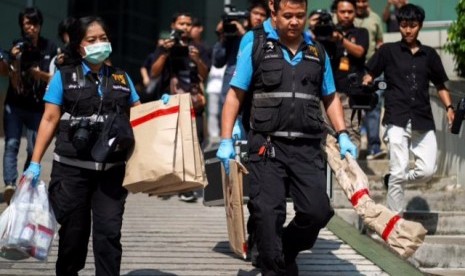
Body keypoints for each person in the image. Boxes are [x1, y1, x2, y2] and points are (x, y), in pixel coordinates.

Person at [217, 0, 357, 274]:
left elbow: (330, 96)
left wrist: (342, 134)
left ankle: (288, 248)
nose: (294, 21)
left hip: (306, 148)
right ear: (274, 14)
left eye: (300, 16)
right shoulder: (256, 46)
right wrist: (225, 138)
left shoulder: (317, 52)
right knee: (267, 217)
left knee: (317, 212)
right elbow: (235, 95)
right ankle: (275, 263)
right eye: (288, 16)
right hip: (266, 147)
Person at [23, 16, 141, 276]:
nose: (100, 43)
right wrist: (33, 163)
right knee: (72, 238)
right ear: (79, 46)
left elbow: (140, 116)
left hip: (111, 173)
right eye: (92, 40)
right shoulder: (63, 78)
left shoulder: (122, 78)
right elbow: (50, 118)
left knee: (109, 234)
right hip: (71, 173)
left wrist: (164, 107)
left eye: (104, 38)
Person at [363, 4, 454, 214]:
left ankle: (393, 179)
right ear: (399, 26)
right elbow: (370, 72)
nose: (408, 30)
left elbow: (440, 84)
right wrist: (367, 81)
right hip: (396, 117)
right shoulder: (388, 51)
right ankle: (394, 220)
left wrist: (449, 107)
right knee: (399, 167)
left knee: (428, 170)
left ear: (420, 26)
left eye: (412, 26)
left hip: (422, 117)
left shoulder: (430, 55)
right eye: (404, 25)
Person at [151, 11, 211, 202]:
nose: (185, 27)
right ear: (173, 26)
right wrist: (166, 52)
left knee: (195, 144)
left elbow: (205, 74)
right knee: (171, 144)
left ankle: (188, 185)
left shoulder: (200, 47)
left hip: (194, 103)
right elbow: (154, 72)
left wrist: (196, 59)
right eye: (181, 24)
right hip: (170, 103)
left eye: (188, 24)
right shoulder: (165, 46)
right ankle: (172, 183)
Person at [3, 7, 57, 205]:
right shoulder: (17, 45)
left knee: (34, 148)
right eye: (27, 24)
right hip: (15, 105)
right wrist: (13, 57)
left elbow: (53, 75)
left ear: (40, 25)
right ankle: (9, 184)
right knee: (11, 144)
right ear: (22, 26)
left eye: (34, 24)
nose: (30, 28)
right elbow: (8, 70)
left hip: (37, 107)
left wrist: (39, 74)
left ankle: (24, 184)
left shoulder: (49, 47)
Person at [316, 0, 369, 149]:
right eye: (342, 12)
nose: (346, 15)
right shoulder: (325, 32)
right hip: (329, 92)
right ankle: (334, 171)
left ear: (355, 13)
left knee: (352, 132)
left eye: (350, 12)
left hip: (353, 92)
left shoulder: (361, 32)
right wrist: (317, 28)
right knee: (328, 132)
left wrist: (340, 39)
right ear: (336, 13)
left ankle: (353, 170)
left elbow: (359, 52)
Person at [213, 0, 269, 108]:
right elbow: (217, 62)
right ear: (248, 15)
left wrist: (243, 34)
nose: (258, 17)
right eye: (255, 13)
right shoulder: (234, 34)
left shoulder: (268, 36)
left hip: (255, 95)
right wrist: (221, 36)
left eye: (262, 15)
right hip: (231, 93)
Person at [354, 0, 386, 159]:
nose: (361, 4)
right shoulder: (348, 17)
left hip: (373, 69)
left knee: (374, 107)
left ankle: (374, 146)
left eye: (363, 1)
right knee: (354, 108)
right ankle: (354, 145)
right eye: (357, 1)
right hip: (353, 69)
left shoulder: (375, 18)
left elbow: (380, 40)